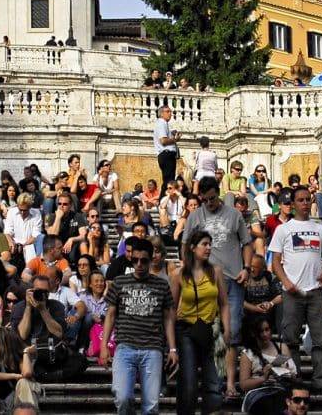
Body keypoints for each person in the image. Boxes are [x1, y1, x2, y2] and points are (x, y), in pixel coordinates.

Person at [270, 184, 322, 396]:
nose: (306, 203)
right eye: (301, 200)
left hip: (315, 290)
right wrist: (286, 282)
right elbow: (275, 262)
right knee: (290, 338)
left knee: (321, 338)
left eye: (308, 199)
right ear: (293, 203)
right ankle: (295, 378)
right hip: (292, 292)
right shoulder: (284, 229)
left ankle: (320, 381)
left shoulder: (321, 229)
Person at [100, 237, 177, 415]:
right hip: (125, 346)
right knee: (122, 397)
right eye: (135, 260)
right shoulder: (119, 282)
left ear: (151, 260)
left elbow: (168, 318)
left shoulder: (162, 284)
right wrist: (104, 346)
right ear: (131, 259)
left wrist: (172, 349)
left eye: (144, 260)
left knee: (151, 405)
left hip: (152, 348)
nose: (139, 264)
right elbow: (110, 315)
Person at [181, 176, 252, 348]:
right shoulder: (195, 216)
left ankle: (228, 374)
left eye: (212, 198)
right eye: (204, 200)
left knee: (233, 329)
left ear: (218, 194)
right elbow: (185, 244)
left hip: (233, 278)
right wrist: (188, 268)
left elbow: (247, 243)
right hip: (205, 278)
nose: (209, 203)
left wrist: (247, 268)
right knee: (208, 329)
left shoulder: (234, 214)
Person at [170, 230, 230, 412]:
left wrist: (227, 330)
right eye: (204, 244)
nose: (208, 248)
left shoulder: (216, 271)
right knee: (189, 383)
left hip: (212, 329)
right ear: (193, 247)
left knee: (214, 382)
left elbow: (224, 304)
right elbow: (171, 309)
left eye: (210, 244)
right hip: (186, 330)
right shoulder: (178, 274)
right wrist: (171, 344)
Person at [0, 326, 42, 415]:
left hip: (16, 403)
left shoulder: (18, 350)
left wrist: (26, 352)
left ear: (3, 345)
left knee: (24, 382)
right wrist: (13, 375)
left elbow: (26, 373)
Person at [153, 105, 179, 184]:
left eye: (170, 112)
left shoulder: (163, 123)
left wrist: (171, 134)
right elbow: (163, 141)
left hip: (166, 155)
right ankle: (165, 196)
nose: (170, 113)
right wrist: (175, 139)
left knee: (168, 181)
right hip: (167, 155)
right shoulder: (162, 123)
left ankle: (165, 195)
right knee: (169, 182)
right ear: (161, 114)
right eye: (167, 112)